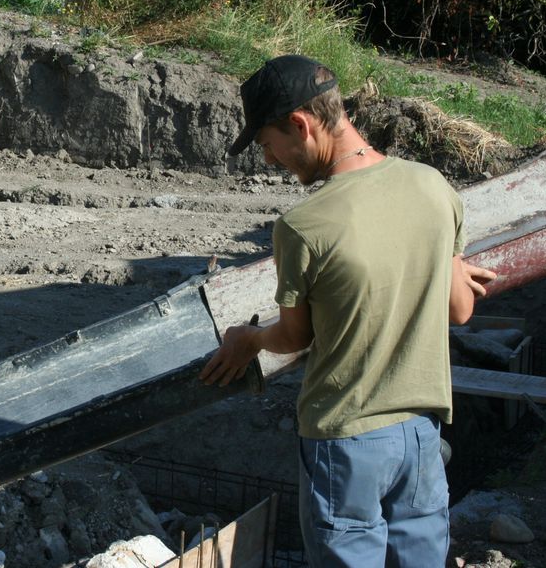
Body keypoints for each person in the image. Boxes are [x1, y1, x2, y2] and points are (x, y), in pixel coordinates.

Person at [200, 55, 496, 567]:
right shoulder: (433, 187)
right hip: (422, 434)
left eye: (269, 146)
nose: (272, 162)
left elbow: (294, 337)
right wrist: (447, 267)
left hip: (346, 438)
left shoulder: (303, 225)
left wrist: (247, 340)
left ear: (300, 124)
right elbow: (460, 310)